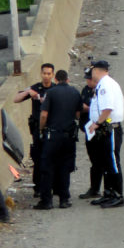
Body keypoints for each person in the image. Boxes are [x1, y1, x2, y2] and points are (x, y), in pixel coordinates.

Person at [36, 70, 83, 210]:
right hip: (69, 136)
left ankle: (46, 201)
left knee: (47, 167)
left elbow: (44, 115)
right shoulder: (75, 92)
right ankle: (64, 199)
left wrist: (41, 129)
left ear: (55, 79)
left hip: (53, 135)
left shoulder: (51, 93)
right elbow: (78, 114)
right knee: (65, 167)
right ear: (67, 79)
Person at [85, 60, 124, 209]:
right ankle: (108, 193)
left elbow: (108, 108)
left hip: (111, 127)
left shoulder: (106, 85)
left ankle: (117, 195)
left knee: (113, 162)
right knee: (106, 162)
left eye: (93, 70)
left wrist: (98, 123)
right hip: (105, 128)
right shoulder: (103, 84)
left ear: (97, 70)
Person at [14, 63, 54, 197]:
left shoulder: (55, 89)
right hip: (37, 129)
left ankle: (51, 186)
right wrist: (28, 92)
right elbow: (16, 99)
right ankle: (38, 187)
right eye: (44, 73)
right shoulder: (36, 87)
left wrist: (39, 97)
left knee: (51, 158)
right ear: (41, 73)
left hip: (51, 128)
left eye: (49, 73)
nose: (46, 76)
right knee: (38, 158)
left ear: (52, 75)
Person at [78, 67, 103, 200]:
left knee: (103, 161)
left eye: (89, 79)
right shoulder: (86, 90)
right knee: (94, 161)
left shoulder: (102, 90)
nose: (88, 81)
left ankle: (107, 189)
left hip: (101, 130)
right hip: (89, 130)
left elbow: (107, 111)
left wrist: (89, 108)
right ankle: (94, 188)